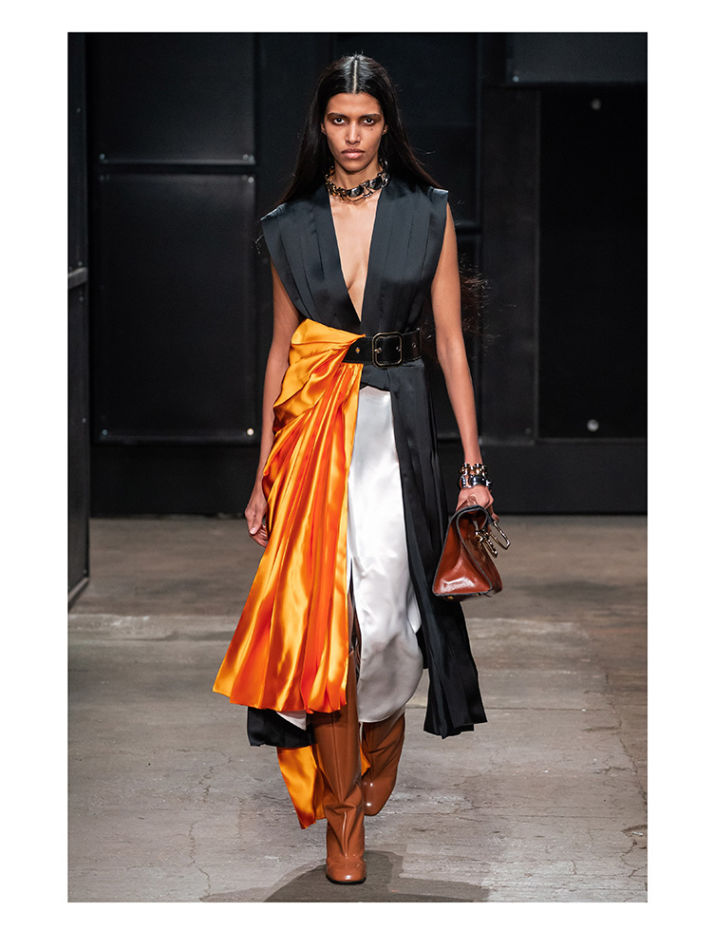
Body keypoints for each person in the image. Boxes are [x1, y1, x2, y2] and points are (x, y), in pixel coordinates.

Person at [213, 53, 494, 886]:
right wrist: (262, 471)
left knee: (392, 622)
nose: (352, 136)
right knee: (326, 630)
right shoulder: (288, 224)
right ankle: (342, 821)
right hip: (313, 440)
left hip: (395, 436)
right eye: (338, 120)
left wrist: (472, 465)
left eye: (366, 121)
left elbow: (450, 343)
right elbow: (281, 352)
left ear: (386, 126)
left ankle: (382, 732)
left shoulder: (427, 212)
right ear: (320, 124)